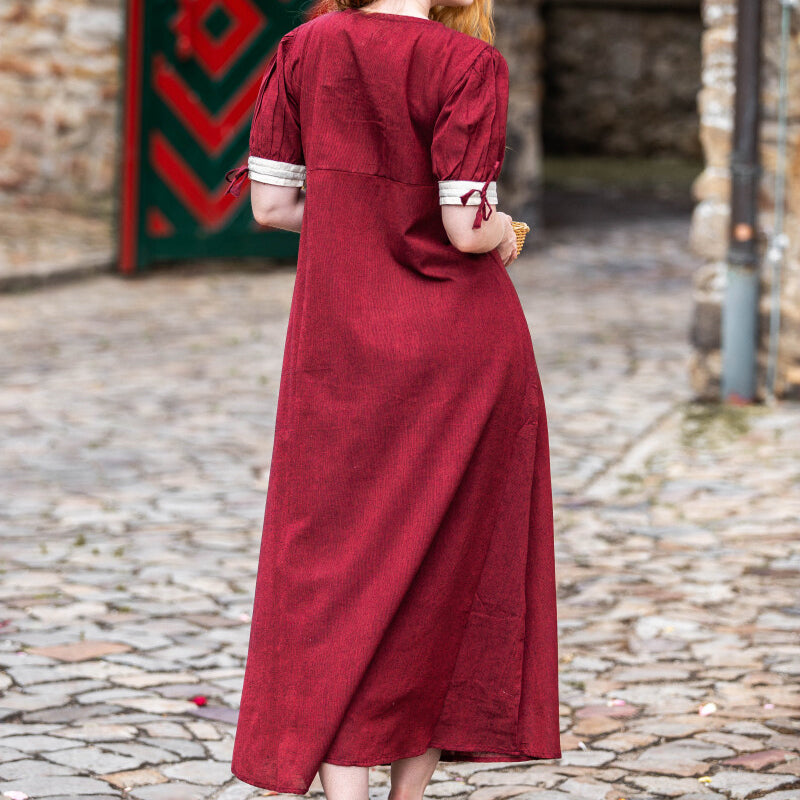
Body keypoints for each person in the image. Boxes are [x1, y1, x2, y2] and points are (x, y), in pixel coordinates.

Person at [226, 1, 562, 798]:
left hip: (341, 348)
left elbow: (271, 207)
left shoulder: (302, 49)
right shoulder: (467, 62)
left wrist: (355, 216)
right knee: (447, 573)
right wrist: (509, 230)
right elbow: (465, 225)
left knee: (341, 572)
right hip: (462, 355)